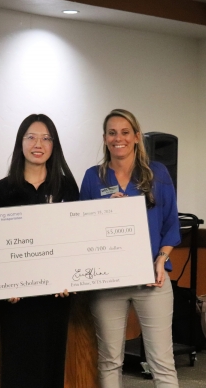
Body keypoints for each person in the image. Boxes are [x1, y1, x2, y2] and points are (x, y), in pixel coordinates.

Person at [80, 109, 181, 388]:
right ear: (104, 138)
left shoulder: (157, 174)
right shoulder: (92, 178)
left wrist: (161, 259)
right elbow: (82, 232)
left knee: (161, 362)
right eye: (112, 133)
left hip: (152, 279)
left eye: (125, 132)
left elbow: (171, 225)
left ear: (136, 137)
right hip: (108, 283)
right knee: (110, 361)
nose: (118, 138)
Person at [0, 114, 79, 388]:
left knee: (51, 366)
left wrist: (69, 277)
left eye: (45, 138)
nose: (38, 143)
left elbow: (74, 239)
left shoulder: (66, 187)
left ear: (54, 145)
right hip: (17, 299)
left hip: (55, 297)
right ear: (20, 143)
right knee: (18, 369)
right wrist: (5, 285)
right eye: (31, 137)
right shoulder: (3, 189)